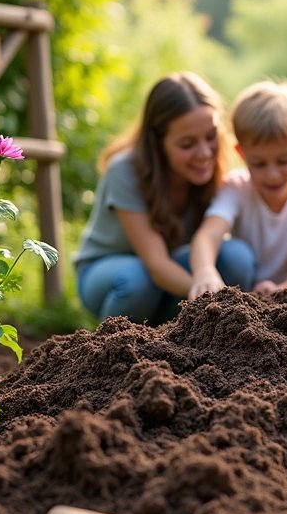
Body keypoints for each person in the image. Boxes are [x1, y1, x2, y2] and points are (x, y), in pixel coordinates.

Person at [75, 72, 255, 325]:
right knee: (136, 280)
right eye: (187, 144)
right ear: (158, 143)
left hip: (170, 275)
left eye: (211, 136)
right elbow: (156, 264)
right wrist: (214, 298)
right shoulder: (125, 170)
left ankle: (177, 340)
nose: (204, 153)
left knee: (236, 258)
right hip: (112, 273)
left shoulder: (216, 170)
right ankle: (112, 350)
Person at [188, 80, 287, 298]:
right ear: (241, 154)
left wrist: (283, 290)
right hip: (244, 295)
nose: (272, 175)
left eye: (283, 161)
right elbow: (208, 234)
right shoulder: (235, 188)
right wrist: (205, 270)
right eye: (259, 164)